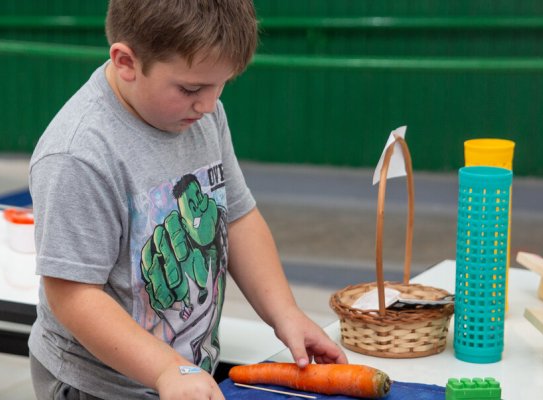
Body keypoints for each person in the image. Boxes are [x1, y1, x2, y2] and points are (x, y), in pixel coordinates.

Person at [27, 0, 348, 399]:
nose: (210, 104)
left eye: (222, 85)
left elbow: (238, 218)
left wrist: (286, 314)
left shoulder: (202, 114)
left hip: (182, 372)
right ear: (126, 61)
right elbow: (72, 295)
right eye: (191, 89)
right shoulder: (78, 154)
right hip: (101, 387)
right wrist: (167, 368)